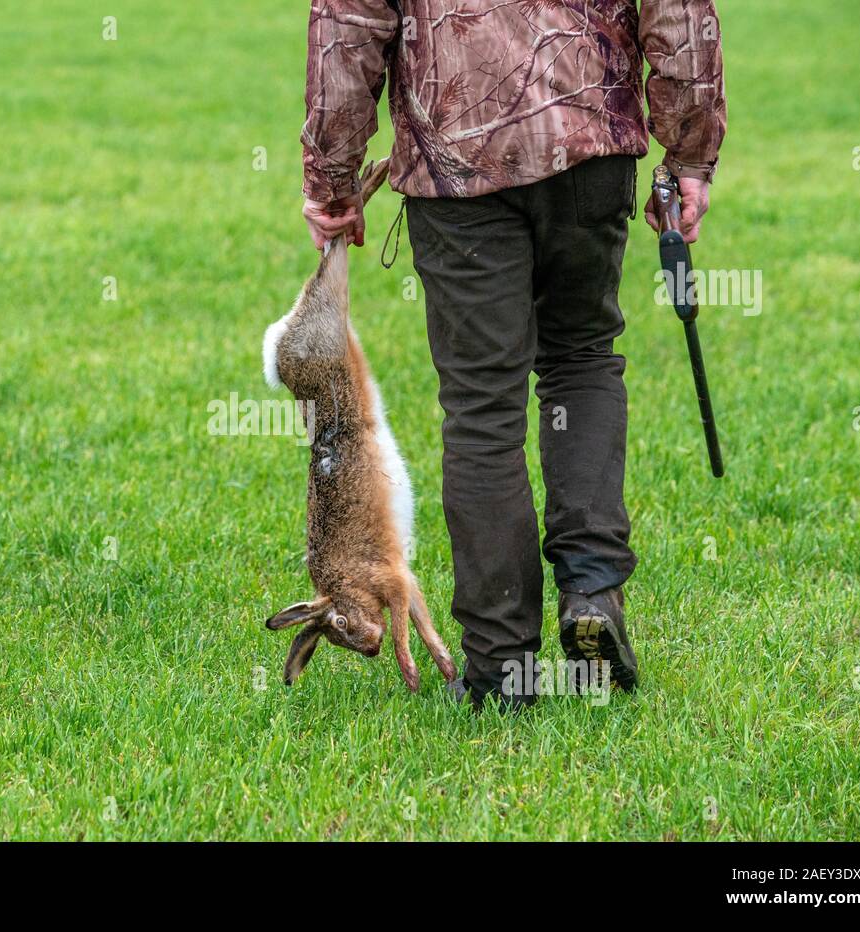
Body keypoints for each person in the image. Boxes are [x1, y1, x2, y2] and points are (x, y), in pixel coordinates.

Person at [299, 1, 726, 708]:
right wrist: (688, 154)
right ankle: (590, 590)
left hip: (456, 158)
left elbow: (347, 26)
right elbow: (677, 13)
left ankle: (501, 666)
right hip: (588, 142)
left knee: (482, 409)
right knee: (581, 358)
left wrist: (333, 179)